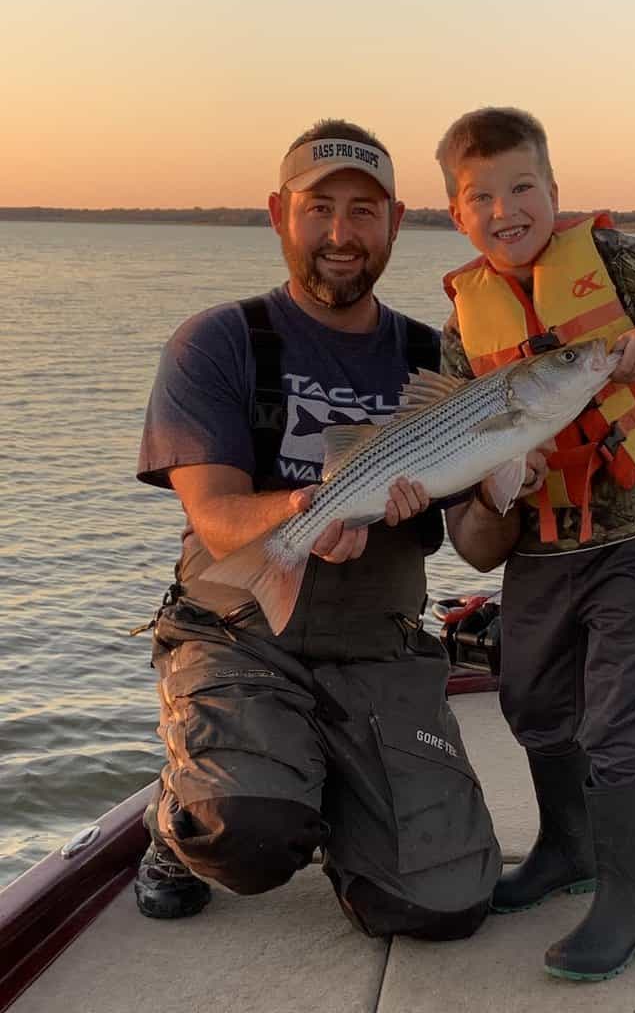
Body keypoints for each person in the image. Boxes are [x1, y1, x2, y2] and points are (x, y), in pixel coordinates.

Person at [134, 119, 500, 940]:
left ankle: (339, 794)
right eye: (319, 208)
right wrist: (309, 510)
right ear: (278, 213)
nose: (341, 233)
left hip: (378, 646)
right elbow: (215, 513)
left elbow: (480, 548)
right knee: (248, 834)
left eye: (364, 211)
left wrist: (504, 491)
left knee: (443, 906)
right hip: (240, 632)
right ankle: (172, 824)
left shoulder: (435, 355)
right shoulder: (220, 341)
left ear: (397, 222)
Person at [436, 107, 635, 980]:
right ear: (458, 215)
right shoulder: (462, 325)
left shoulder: (613, 262)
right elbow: (469, 453)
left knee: (614, 715)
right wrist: (502, 484)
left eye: (523, 187)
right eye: (482, 196)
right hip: (540, 550)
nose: (507, 209)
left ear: (553, 191)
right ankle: (566, 849)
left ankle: (628, 901)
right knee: (531, 702)